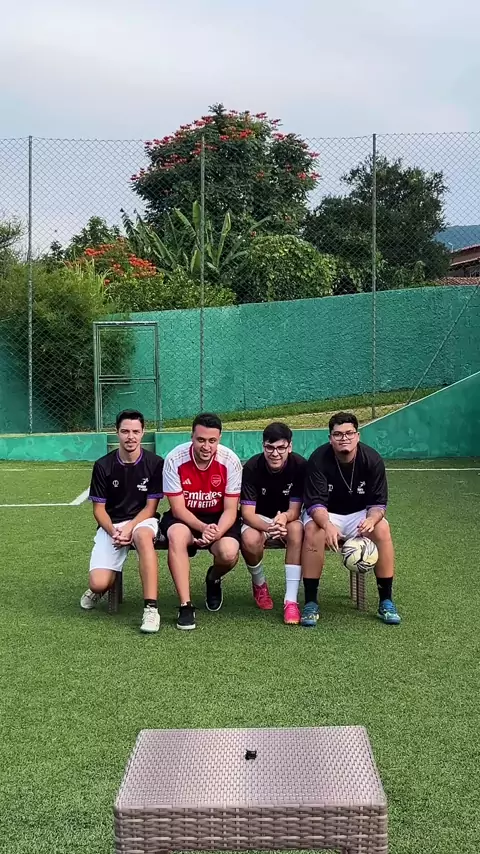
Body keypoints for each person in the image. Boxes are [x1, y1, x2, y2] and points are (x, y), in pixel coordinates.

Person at [301, 411, 401, 627]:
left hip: (359, 513)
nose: (344, 438)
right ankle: (310, 603)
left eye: (349, 433)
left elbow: (378, 504)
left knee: (382, 528)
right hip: (327, 513)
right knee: (313, 531)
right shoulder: (318, 459)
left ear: (357, 436)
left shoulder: (372, 459)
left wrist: (372, 520)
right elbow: (315, 504)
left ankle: (386, 601)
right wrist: (327, 525)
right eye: (338, 434)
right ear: (330, 438)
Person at [80, 409, 164, 634]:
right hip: (112, 525)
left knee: (142, 536)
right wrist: (114, 531)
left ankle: (151, 609)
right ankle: (98, 589)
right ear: (116, 432)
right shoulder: (103, 465)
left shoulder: (155, 463)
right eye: (125, 431)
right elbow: (99, 510)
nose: (130, 437)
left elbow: (151, 508)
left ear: (143, 432)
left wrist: (129, 528)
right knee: (98, 583)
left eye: (136, 431)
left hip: (142, 521)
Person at [161, 412, 242, 630]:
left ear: (219, 439)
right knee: (176, 535)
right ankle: (185, 605)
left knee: (228, 553)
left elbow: (231, 510)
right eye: (201, 440)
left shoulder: (230, 461)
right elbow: (177, 508)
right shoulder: (174, 459)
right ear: (192, 437)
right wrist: (202, 528)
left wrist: (215, 532)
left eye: (212, 441)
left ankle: (213, 578)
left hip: (219, 519)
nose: (206, 446)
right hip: (185, 518)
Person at [240, 422, 306, 624]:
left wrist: (284, 518)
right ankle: (259, 584)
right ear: (263, 446)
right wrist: (270, 527)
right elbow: (247, 514)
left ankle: (291, 601)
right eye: (270, 447)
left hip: (287, 518)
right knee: (250, 539)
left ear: (290, 446)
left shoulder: (300, 466)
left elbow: (295, 510)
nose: (275, 453)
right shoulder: (252, 467)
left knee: (296, 530)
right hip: (259, 518)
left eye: (281, 448)